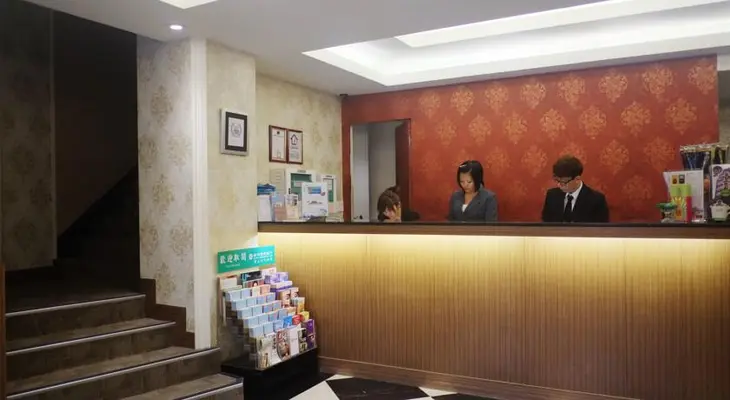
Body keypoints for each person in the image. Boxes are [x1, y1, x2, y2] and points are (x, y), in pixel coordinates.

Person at [541, 155, 609, 223]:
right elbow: (546, 223)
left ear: (577, 179)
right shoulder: (552, 196)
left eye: (564, 183)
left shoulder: (596, 200)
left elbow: (601, 227)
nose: (559, 185)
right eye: (558, 181)